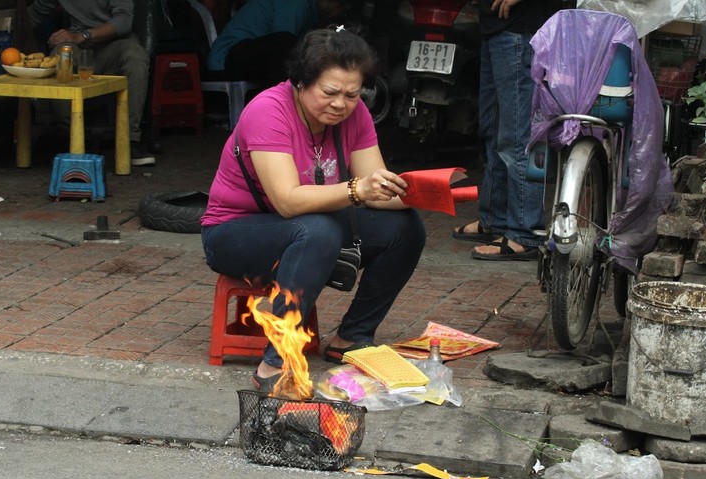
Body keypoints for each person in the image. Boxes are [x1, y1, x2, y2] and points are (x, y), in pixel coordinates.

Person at [200, 27, 426, 392]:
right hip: (234, 232)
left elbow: (375, 188)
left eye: (353, 94)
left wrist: (423, 194)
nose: (342, 104)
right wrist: (357, 189)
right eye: (330, 92)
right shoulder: (268, 111)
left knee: (405, 228)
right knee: (319, 232)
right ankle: (274, 365)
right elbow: (288, 201)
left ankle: (353, 337)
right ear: (301, 82)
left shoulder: (355, 116)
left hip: (308, 225)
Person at [451, 0, 549, 260]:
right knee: (493, 130)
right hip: (495, 29)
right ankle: (495, 220)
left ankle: (524, 234)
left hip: (517, 30)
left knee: (516, 137)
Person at [28, 0, 155, 167]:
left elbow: (123, 21)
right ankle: (64, 136)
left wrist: (83, 35)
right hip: (79, 47)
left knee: (136, 57)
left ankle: (130, 141)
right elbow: (33, 14)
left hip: (115, 45)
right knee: (61, 55)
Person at [206, 0, 350, 88]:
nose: (335, 8)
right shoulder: (295, 3)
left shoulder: (313, 14)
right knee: (286, 46)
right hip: (225, 61)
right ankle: (279, 108)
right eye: (333, 2)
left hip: (253, 61)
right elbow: (285, 43)